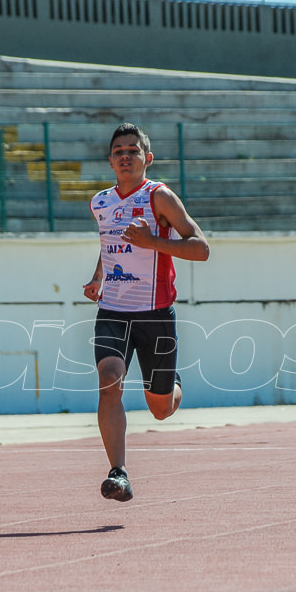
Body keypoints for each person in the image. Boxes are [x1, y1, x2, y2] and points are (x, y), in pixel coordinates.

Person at [82, 123, 210, 502]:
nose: (125, 155)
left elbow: (201, 248)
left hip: (155, 313)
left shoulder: (160, 198)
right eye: (118, 150)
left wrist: (153, 241)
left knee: (160, 410)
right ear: (109, 161)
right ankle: (118, 472)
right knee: (109, 378)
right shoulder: (100, 202)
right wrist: (97, 278)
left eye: (132, 150)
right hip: (113, 311)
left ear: (146, 159)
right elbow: (110, 247)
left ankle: (174, 386)